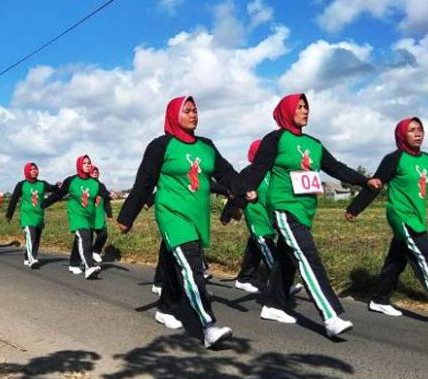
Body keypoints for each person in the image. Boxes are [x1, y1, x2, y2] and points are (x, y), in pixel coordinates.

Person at [117, 95, 250, 349]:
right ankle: (208, 326)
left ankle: (165, 307)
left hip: (197, 216)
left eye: (195, 110)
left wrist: (244, 190)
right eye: (187, 110)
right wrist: (127, 216)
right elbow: (144, 181)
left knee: (172, 264)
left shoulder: (206, 145)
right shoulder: (161, 145)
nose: (193, 114)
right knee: (192, 266)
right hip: (171, 213)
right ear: (173, 115)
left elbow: (226, 173)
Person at [244, 93, 380, 338]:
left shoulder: (314, 144)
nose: (305, 110)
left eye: (306, 106)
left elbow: (336, 167)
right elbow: (258, 169)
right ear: (286, 111)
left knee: (287, 258)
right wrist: (242, 194)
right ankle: (330, 315)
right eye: (299, 107)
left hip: (306, 210)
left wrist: (364, 180)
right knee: (308, 256)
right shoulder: (276, 139)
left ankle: (273, 304)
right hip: (285, 207)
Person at [346, 116, 428, 329]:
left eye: (420, 129)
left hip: (416, 216)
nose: (418, 133)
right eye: (412, 130)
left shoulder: (426, 159)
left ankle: (379, 299)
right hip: (401, 216)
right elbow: (376, 184)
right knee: (427, 258)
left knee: (396, 259)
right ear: (401, 135)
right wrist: (355, 208)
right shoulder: (394, 158)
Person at [221, 140, 304, 296]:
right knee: (267, 246)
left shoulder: (275, 172)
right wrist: (226, 216)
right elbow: (235, 194)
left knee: (255, 246)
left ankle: (244, 279)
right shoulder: (248, 172)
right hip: (256, 215)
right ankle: (283, 284)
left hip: (269, 215)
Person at [43, 155, 108, 280]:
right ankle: (89, 267)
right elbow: (59, 194)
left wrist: (111, 194)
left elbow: (104, 193)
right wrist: (44, 203)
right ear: (79, 165)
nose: (88, 165)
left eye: (89, 163)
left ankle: (73, 263)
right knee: (85, 236)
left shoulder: (95, 183)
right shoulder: (72, 180)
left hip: (89, 215)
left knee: (80, 238)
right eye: (84, 163)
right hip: (76, 214)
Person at [6, 162, 59, 268]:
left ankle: (27, 257)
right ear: (27, 171)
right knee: (31, 236)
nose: (34, 171)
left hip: (39, 215)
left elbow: (53, 188)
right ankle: (32, 259)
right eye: (32, 169)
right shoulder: (21, 184)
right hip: (27, 215)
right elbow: (14, 200)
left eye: (36, 169)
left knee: (36, 239)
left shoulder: (42, 184)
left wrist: (58, 186)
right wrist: (9, 214)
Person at [89, 166, 113, 263]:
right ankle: (85, 257)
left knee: (103, 234)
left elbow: (107, 201)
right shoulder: (87, 186)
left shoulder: (101, 186)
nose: (95, 172)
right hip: (89, 216)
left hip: (99, 215)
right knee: (87, 238)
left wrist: (109, 214)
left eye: (96, 171)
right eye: (93, 171)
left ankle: (95, 251)